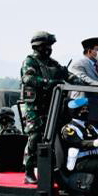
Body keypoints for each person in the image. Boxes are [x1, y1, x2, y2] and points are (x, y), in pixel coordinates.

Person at [20, 31, 82, 184]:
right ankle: (28, 171)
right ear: (39, 46)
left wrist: (81, 83)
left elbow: (67, 75)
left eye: (50, 46)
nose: (49, 49)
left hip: (52, 107)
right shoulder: (30, 62)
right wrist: (49, 82)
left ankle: (52, 171)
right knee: (34, 137)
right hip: (35, 108)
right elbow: (28, 78)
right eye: (46, 45)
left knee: (54, 138)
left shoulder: (52, 63)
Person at [58, 96, 98, 196]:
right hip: (80, 162)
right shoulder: (68, 129)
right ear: (76, 111)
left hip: (93, 158)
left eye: (86, 108)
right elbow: (80, 143)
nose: (86, 111)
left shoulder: (89, 126)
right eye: (83, 109)